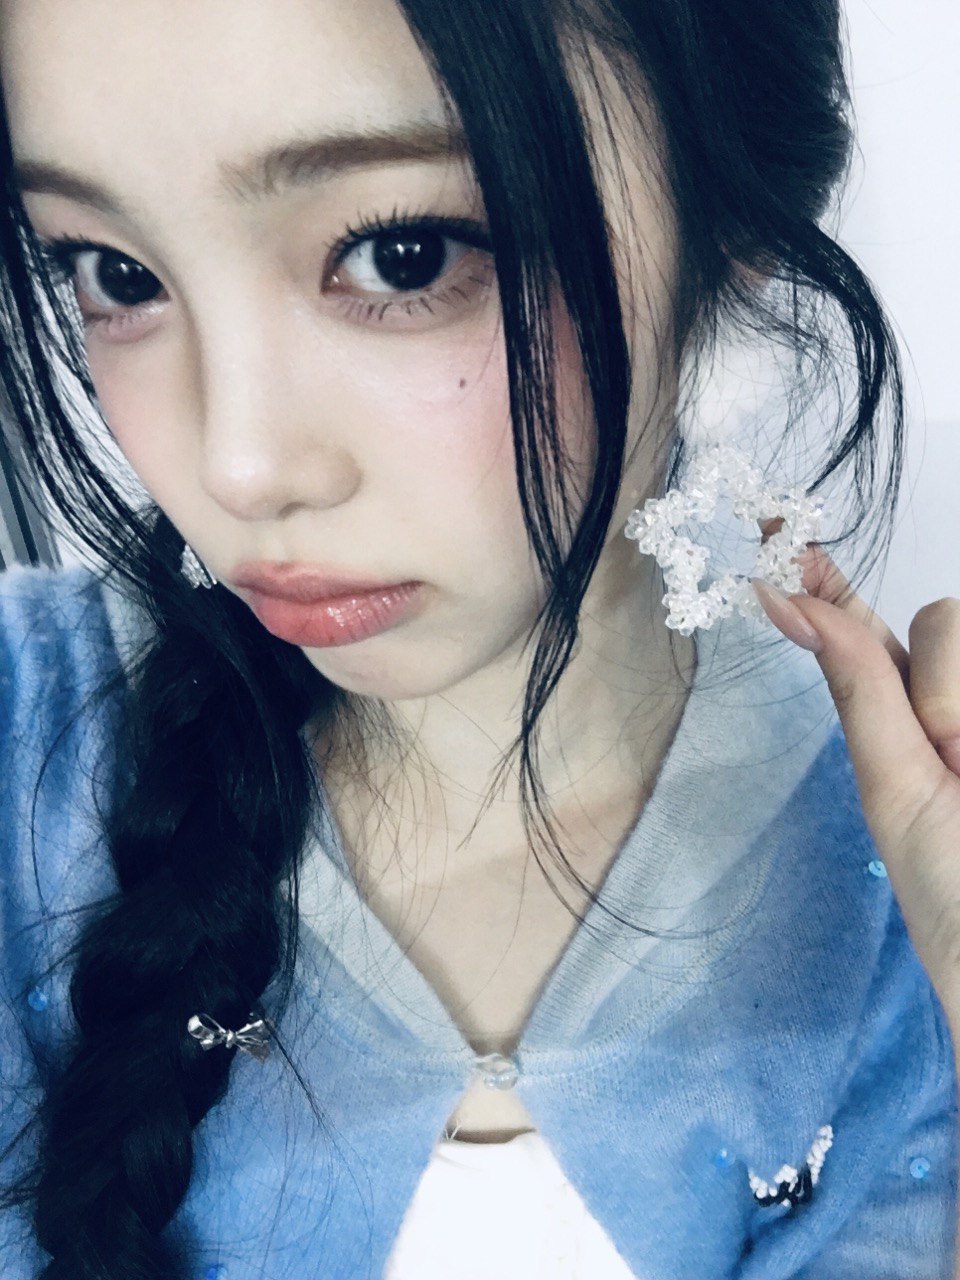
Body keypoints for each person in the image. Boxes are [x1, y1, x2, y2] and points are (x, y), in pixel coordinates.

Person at [0, 1, 958, 1278]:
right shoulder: (27, 743)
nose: (237, 467)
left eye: (400, 255)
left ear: (732, 213)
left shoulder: (902, 887)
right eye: (115, 273)